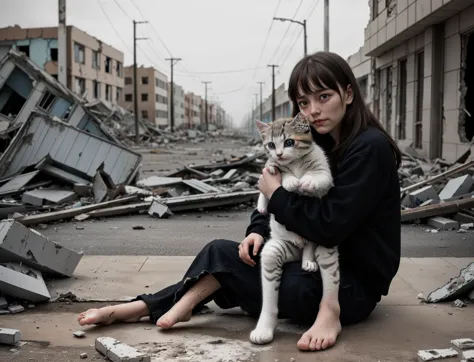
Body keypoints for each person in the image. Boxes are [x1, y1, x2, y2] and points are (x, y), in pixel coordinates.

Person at [77, 51, 402, 352]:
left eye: (323, 97)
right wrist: (258, 230)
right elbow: (269, 196)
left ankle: (151, 306)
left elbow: (330, 225)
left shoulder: (369, 148)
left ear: (347, 94)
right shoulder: (311, 141)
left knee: (278, 284)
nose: (313, 110)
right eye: (303, 102)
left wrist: (277, 194)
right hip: (307, 264)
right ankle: (148, 306)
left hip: (350, 285)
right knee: (223, 251)